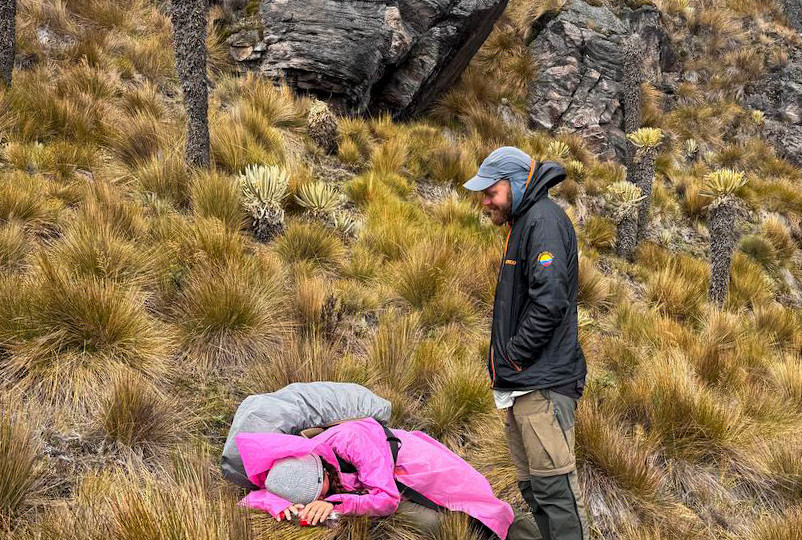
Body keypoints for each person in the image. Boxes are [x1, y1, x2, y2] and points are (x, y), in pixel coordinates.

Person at [462, 147, 589, 540]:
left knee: (554, 488)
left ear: (516, 184)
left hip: (542, 383)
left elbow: (551, 301)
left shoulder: (543, 221)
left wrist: (514, 356)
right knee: (534, 487)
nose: (485, 201)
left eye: (491, 192)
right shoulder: (525, 222)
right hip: (524, 384)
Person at [235, 417, 541, 539]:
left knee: (475, 513)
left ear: (323, 470)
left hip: (422, 470)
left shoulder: (351, 441)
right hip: (397, 477)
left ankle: (530, 532)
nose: (322, 498)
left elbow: (386, 500)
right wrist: (280, 505)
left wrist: (336, 505)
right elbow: (252, 497)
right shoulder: (291, 467)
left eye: (321, 492)